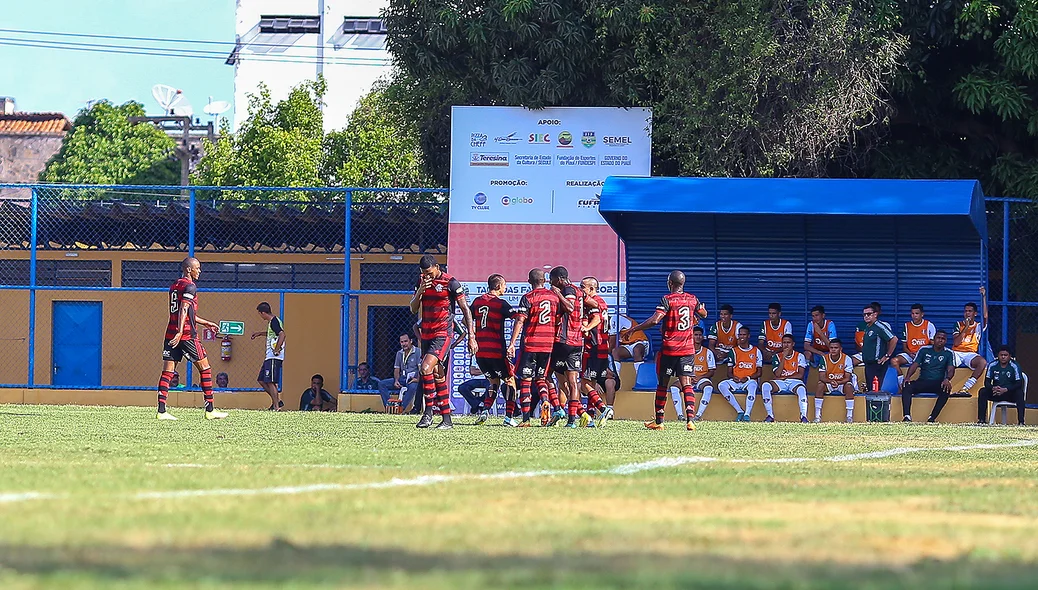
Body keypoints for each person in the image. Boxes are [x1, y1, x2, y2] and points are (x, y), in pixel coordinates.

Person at [625, 270, 708, 431]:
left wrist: (635, 328)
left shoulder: (667, 299)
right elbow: (703, 313)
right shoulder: (692, 299)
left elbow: (655, 320)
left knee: (663, 384)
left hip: (670, 349)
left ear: (670, 283)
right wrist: (699, 311)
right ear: (682, 284)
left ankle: (659, 421)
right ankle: (690, 420)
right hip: (687, 349)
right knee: (687, 384)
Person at [155, 257, 227, 421]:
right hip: (186, 335)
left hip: (170, 333)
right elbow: (184, 308)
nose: (199, 271)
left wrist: (205, 322)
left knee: (168, 371)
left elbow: (185, 312)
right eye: (198, 268)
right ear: (189, 269)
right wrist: (181, 332)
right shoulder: (190, 286)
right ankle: (210, 410)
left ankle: (161, 411)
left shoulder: (175, 286)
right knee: (205, 368)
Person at [410, 254, 477, 430]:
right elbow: (413, 308)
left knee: (425, 368)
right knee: (438, 375)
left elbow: (465, 310)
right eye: (424, 273)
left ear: (437, 267)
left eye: (430, 273)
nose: (428, 276)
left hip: (443, 333)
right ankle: (447, 419)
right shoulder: (421, 281)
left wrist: (471, 336)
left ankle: (428, 414)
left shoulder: (451, 282)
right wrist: (420, 291)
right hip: (427, 334)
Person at [507, 268, 561, 427]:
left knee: (525, 381)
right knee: (541, 378)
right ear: (544, 281)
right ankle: (545, 400)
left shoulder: (528, 298)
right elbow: (558, 320)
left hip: (531, 344)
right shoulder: (554, 298)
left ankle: (525, 419)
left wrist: (512, 343)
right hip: (548, 345)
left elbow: (520, 321)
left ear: (529, 281)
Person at [549, 265, 598, 428]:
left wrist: (557, 294)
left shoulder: (567, 291)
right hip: (577, 342)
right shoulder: (580, 292)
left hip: (564, 341)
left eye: (552, 281)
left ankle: (560, 409)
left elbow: (569, 308)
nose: (552, 284)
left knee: (548, 377)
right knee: (572, 382)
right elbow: (593, 304)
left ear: (559, 279)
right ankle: (574, 418)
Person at [470, 274, 519, 425]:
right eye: (504, 285)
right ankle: (509, 418)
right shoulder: (500, 304)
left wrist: (471, 336)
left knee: (493, 382)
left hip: (480, 352)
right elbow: (518, 318)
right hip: (496, 351)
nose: (506, 288)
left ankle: (485, 411)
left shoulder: (477, 301)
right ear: (498, 286)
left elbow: (467, 317)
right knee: (510, 381)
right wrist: (513, 342)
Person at [899, 330, 955, 422]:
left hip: (938, 383)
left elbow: (951, 369)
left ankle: (932, 418)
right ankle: (907, 416)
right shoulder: (924, 350)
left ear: (945, 341)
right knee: (907, 386)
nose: (940, 340)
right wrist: (908, 377)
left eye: (943, 339)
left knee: (946, 390)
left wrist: (947, 379)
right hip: (922, 381)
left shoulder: (949, 353)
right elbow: (915, 365)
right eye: (938, 338)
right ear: (934, 339)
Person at [580, 276, 613, 426]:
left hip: (592, 348)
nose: (580, 290)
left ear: (592, 289)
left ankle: (603, 408)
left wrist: (585, 328)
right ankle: (591, 418)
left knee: (584, 384)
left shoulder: (591, 303)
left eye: (583, 287)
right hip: (602, 349)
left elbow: (595, 321)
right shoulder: (603, 302)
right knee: (591, 383)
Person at [761, 334, 810, 423]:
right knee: (765, 386)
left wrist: (785, 377)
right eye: (784, 343)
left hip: (794, 382)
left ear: (793, 344)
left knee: (801, 389)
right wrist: (783, 357)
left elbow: (800, 375)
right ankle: (770, 415)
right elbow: (777, 373)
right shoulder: (777, 356)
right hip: (780, 382)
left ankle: (803, 416)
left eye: (788, 343)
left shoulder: (800, 356)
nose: (786, 345)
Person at [717, 326, 762, 422]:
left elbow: (759, 372)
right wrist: (734, 377)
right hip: (736, 380)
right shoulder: (733, 351)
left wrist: (748, 378)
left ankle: (747, 414)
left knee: (753, 385)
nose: (741, 337)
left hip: (749, 381)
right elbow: (729, 372)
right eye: (740, 334)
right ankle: (740, 411)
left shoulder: (756, 351)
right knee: (722, 385)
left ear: (748, 336)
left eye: (744, 334)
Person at [952, 286, 989, 394]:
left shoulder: (978, 326)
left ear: (975, 314)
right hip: (957, 352)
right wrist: (966, 327)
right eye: (966, 311)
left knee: (982, 362)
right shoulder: (958, 324)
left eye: (970, 311)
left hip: (970, 353)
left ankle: (965, 388)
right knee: (945, 360)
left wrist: (984, 296)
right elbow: (956, 342)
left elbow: (985, 316)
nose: (967, 313)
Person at [977, 345, 1026, 425]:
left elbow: (1019, 383)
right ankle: (981, 420)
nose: (1003, 357)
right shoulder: (992, 365)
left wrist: (1006, 389)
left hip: (1009, 393)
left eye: (1005, 355)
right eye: (1001, 355)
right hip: (996, 393)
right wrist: (993, 388)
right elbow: (986, 382)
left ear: (1010, 356)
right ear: (998, 356)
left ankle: (1021, 422)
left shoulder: (1015, 366)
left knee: (1019, 393)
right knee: (983, 391)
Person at [251, 302, 286, 411]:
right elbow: (273, 333)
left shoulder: (274, 321)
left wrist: (277, 349)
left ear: (263, 313)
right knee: (262, 380)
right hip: (269, 357)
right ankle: (277, 401)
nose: (260, 316)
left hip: (273, 357)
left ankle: (276, 406)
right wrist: (260, 334)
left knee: (270, 381)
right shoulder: (273, 322)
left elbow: (282, 334)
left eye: (260, 314)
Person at [815, 338, 856, 423]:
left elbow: (848, 377)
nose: (833, 350)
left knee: (849, 386)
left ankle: (849, 416)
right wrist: (831, 382)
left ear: (840, 349)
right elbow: (821, 377)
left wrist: (838, 382)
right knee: (820, 385)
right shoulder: (824, 359)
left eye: (836, 348)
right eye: (831, 348)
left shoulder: (847, 359)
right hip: (829, 383)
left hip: (841, 383)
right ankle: (817, 416)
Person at [378, 333, 420, 413]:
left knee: (412, 387)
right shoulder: (399, 353)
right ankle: (389, 407)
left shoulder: (418, 352)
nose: (404, 344)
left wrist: (417, 379)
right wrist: (396, 380)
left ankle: (400, 409)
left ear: (411, 341)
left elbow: (421, 369)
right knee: (381, 384)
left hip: (413, 379)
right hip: (402, 378)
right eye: (401, 342)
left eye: (405, 341)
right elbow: (397, 369)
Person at [892, 304, 936, 379]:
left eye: (917, 313)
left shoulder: (929, 325)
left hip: (924, 355)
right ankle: (901, 382)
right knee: (894, 361)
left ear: (922, 314)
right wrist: (910, 354)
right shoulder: (906, 326)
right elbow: (904, 347)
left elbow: (933, 345)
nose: (914, 315)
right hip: (911, 355)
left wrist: (923, 354)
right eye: (912, 313)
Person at [860, 303, 898, 392]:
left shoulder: (879, 326)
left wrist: (887, 355)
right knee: (870, 390)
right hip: (868, 364)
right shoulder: (868, 327)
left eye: (868, 314)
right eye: (864, 314)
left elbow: (894, 339)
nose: (866, 316)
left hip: (877, 364)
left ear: (875, 314)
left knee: (876, 390)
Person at [687, 326, 719, 422]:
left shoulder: (708, 352)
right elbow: (680, 368)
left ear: (703, 337)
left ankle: (698, 415)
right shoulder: (686, 351)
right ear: (691, 336)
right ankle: (680, 415)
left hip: (702, 379)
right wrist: (689, 377)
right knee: (674, 388)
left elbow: (712, 371)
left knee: (708, 387)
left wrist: (700, 377)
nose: (698, 337)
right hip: (687, 378)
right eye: (695, 335)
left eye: (700, 335)